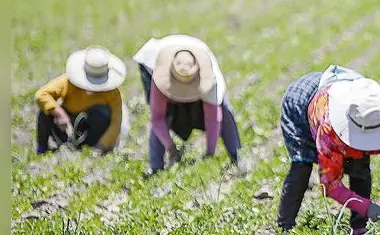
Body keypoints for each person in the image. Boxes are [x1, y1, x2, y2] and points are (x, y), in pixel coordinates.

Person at [277, 65, 380, 235]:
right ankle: (285, 226)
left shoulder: (376, 112)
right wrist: (366, 207)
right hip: (301, 102)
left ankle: (358, 229)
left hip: (338, 88)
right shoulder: (330, 129)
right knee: (301, 167)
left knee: (359, 166)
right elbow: (330, 183)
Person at [133, 35, 242, 173]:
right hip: (162, 76)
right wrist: (171, 148)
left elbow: (214, 118)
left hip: (202, 93)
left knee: (224, 110)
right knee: (163, 119)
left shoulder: (209, 78)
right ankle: (156, 168)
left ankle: (237, 155)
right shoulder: (160, 79)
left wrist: (210, 151)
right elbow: (157, 118)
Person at [35, 46, 128, 154]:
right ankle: (42, 149)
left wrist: (101, 146)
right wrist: (59, 114)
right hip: (67, 126)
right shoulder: (69, 82)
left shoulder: (113, 93)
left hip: (92, 134)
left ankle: (83, 148)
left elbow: (116, 123)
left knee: (101, 113)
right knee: (45, 112)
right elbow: (41, 94)